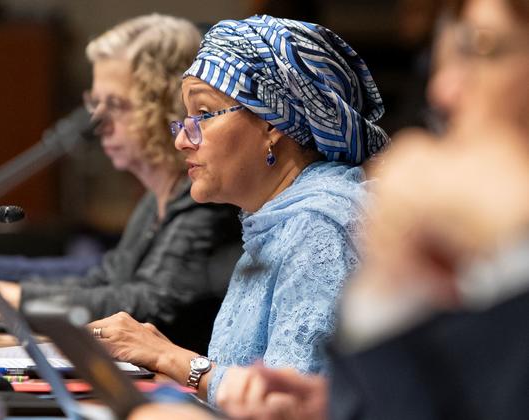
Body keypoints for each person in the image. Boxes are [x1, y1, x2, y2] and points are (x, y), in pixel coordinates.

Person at [214, 0, 529, 419]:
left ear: (274, 124)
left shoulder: (321, 217)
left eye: (483, 48)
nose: (443, 90)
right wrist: (331, 407)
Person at [86, 15, 389, 404]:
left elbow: (286, 406)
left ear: (273, 123)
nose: (182, 140)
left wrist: (176, 360)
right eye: (185, 119)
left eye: (203, 114)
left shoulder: (319, 225)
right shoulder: (274, 219)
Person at [0, 14, 242, 354]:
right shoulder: (155, 199)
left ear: (166, 106)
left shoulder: (205, 196)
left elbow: (152, 307)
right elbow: (101, 279)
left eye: (114, 105)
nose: (98, 123)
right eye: (94, 104)